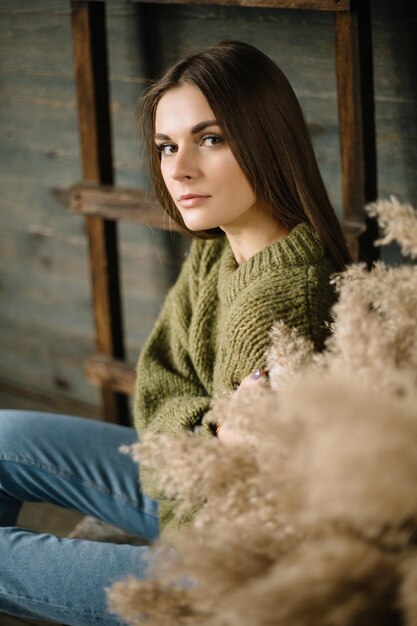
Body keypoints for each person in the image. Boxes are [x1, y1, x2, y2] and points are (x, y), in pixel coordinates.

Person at [0, 40, 350, 625]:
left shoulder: (282, 300)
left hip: (230, 574)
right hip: (187, 487)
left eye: (210, 139)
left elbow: (238, 508)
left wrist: (201, 445)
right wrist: (213, 430)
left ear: (267, 141)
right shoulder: (219, 248)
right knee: (3, 435)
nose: (178, 167)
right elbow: (159, 389)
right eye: (167, 145)